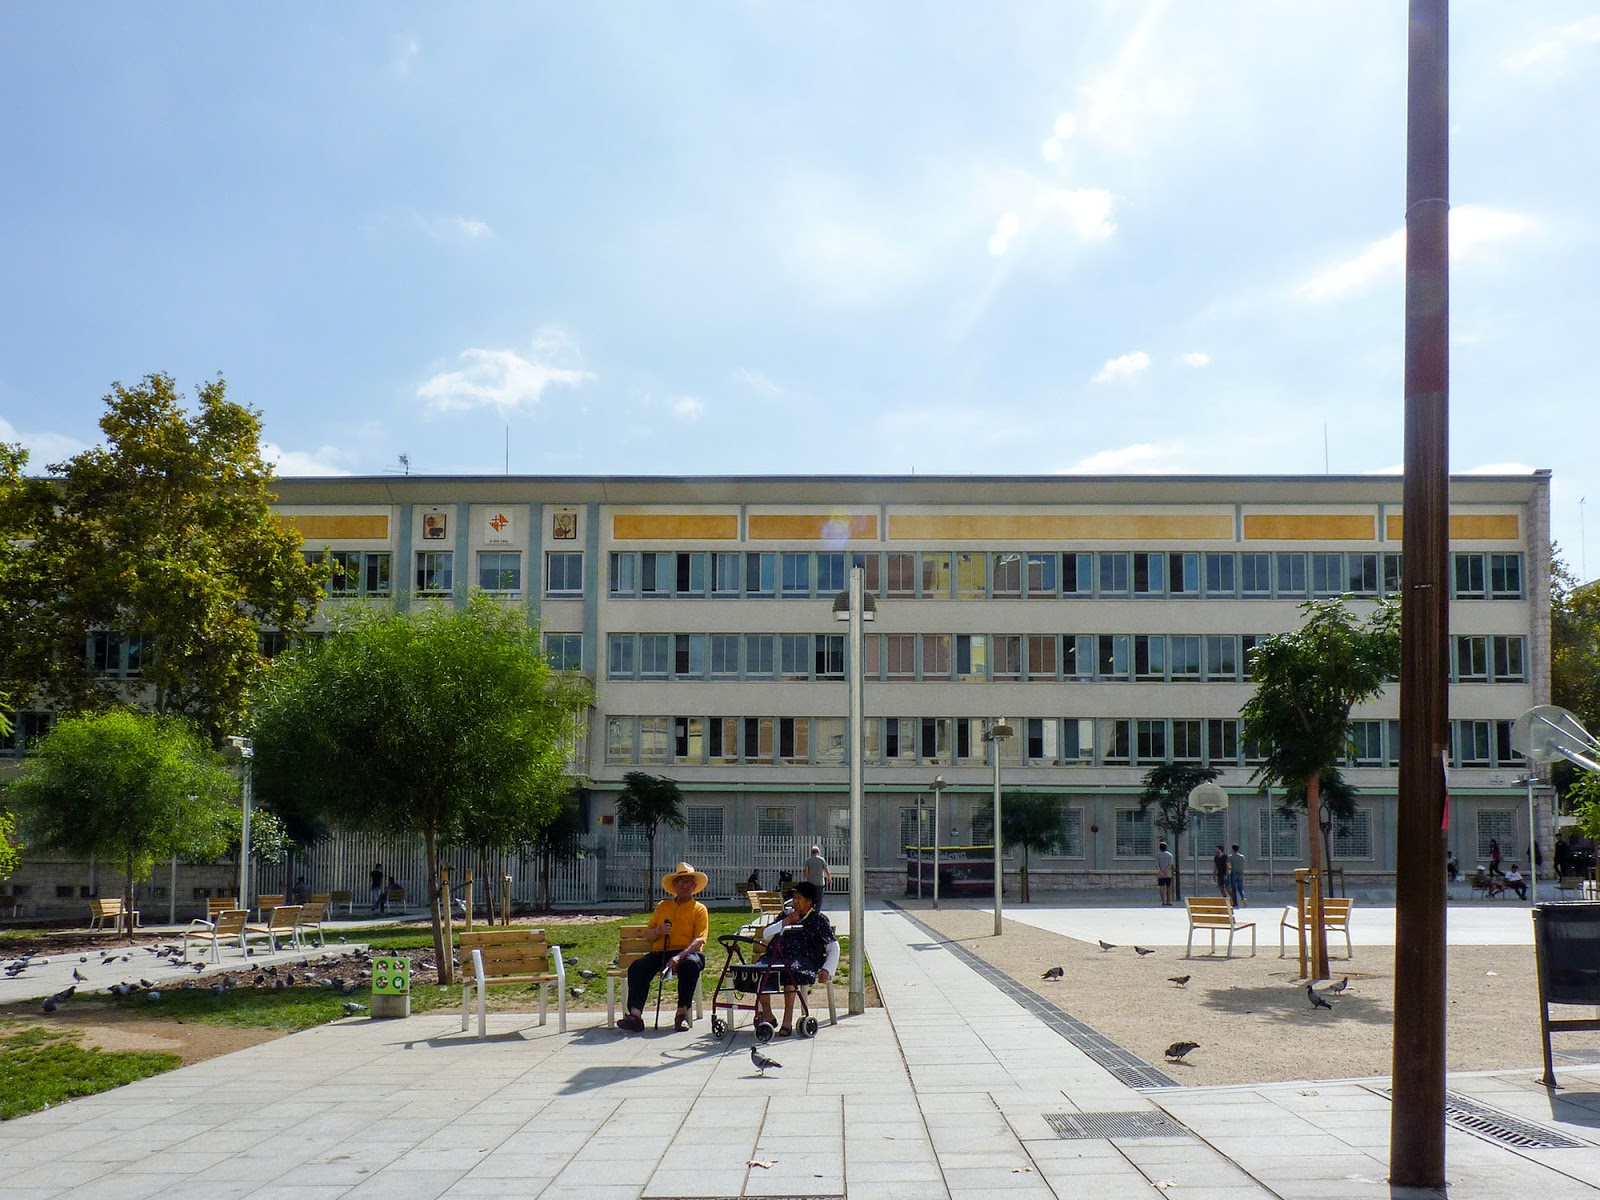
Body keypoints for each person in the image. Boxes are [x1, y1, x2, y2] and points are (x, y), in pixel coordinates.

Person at [618, 862, 710, 1033]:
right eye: (681, 882)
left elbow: (699, 940)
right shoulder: (663, 906)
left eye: (688, 882)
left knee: (690, 965)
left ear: (694, 886)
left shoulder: (699, 909)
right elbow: (648, 934)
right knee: (637, 967)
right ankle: (635, 1016)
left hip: (688, 953)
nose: (684, 886)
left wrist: (679, 957)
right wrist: (658, 931)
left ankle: (681, 1015)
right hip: (661, 952)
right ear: (674, 885)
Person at [754, 880, 838, 1036]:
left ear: (809, 901)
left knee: (790, 973)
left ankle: (787, 1020)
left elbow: (833, 946)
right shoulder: (785, 915)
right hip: (777, 956)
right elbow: (766, 934)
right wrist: (785, 922)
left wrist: (827, 969)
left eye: (799, 898)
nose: (795, 901)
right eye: (794, 898)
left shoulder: (818, 920)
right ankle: (768, 1015)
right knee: (760, 970)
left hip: (802, 960)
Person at [1155, 841, 1174, 906]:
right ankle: (1168, 901)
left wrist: (1161, 873)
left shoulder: (1157, 855)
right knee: (1168, 887)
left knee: (1161, 887)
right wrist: (1165, 872)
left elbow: (1157, 865)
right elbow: (1170, 865)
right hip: (1168, 874)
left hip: (1160, 875)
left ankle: (1163, 901)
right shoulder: (1170, 855)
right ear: (1166, 847)